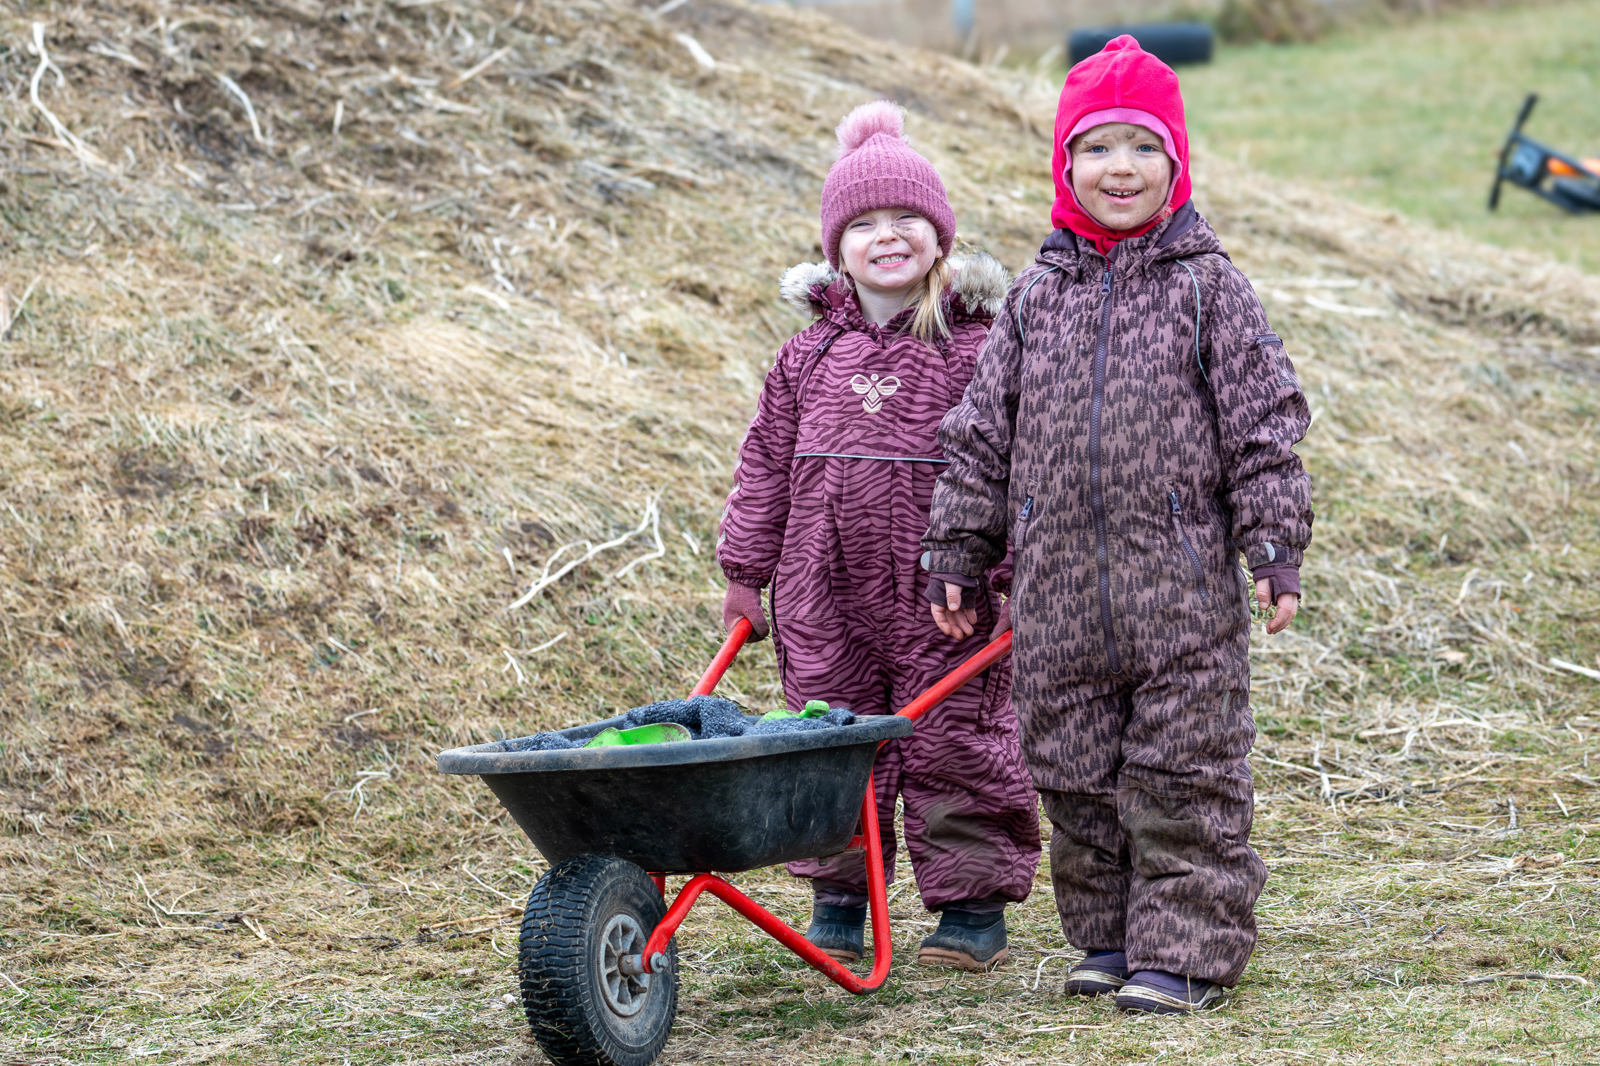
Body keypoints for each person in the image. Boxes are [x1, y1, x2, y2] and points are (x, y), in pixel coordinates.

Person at [920, 36, 1313, 1013]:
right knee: (1076, 777)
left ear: (1174, 164)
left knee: (1182, 776)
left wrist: (1273, 541)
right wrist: (958, 550)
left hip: (1176, 594)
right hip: (1056, 597)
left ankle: (1183, 951)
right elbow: (979, 437)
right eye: (1097, 149)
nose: (1120, 169)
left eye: (1142, 148)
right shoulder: (1033, 297)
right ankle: (1107, 937)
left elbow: (1263, 420)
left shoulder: (1205, 285)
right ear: (1065, 166)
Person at [717, 100, 1041, 972]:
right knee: (827, 736)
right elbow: (765, 471)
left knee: (954, 737)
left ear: (941, 238)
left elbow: (1016, 470)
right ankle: (839, 899)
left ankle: (971, 910)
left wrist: (1006, 573)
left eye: (907, 220)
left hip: (950, 595)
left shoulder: (978, 351)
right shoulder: (807, 357)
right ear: (835, 246)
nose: (887, 237)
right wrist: (746, 572)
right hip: (825, 590)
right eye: (864, 224)